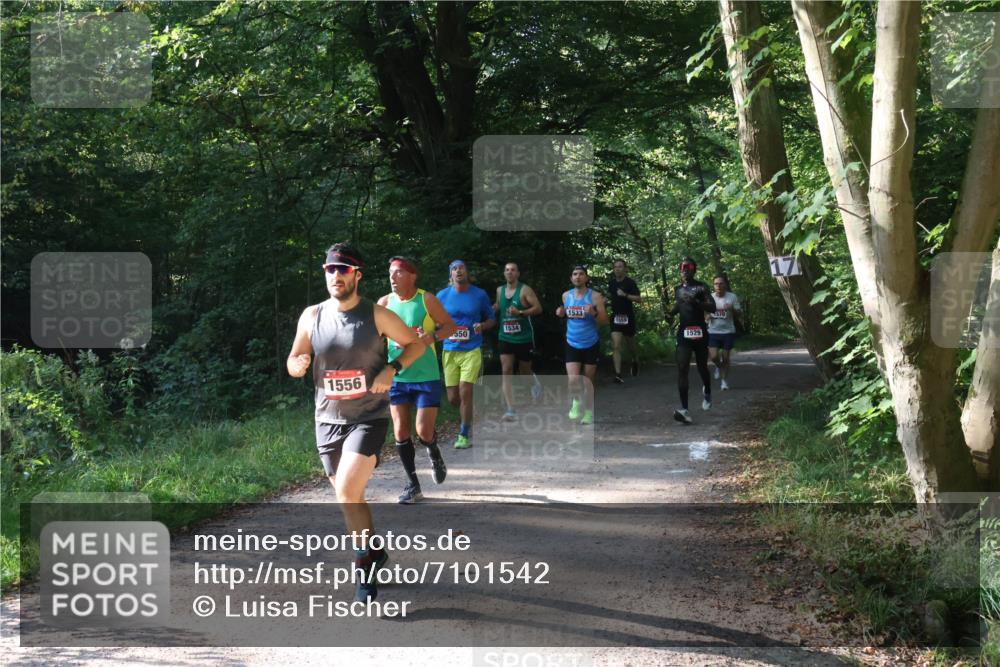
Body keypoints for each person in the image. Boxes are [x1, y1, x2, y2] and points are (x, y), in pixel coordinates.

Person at [287, 242, 426, 601]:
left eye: (344, 270)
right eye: (331, 269)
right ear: (325, 273)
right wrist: (297, 365)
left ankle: (364, 565)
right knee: (350, 497)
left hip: (368, 416)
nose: (336, 275)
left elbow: (416, 345)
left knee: (347, 491)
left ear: (357, 275)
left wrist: (392, 369)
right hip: (328, 418)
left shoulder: (376, 315)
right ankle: (375, 550)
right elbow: (295, 356)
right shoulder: (312, 315)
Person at [378, 256, 457, 504]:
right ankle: (413, 484)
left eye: (398, 272)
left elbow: (450, 327)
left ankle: (433, 451)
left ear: (412, 276)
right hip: (398, 376)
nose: (392, 277)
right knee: (400, 431)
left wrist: (429, 338)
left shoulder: (427, 299)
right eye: (390, 273)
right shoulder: (384, 303)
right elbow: (375, 337)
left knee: (423, 431)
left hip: (426, 376)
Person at [437, 260, 496, 449]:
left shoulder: (479, 295)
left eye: (461, 267)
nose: (458, 271)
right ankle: (467, 413)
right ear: (451, 275)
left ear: (466, 272)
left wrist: (482, 325)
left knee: (465, 390)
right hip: (450, 350)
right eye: (454, 268)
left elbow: (491, 319)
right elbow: (434, 320)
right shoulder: (442, 296)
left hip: (471, 349)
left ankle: (464, 433)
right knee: (454, 398)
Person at [555, 265, 609, 426]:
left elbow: (605, 321)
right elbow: (567, 315)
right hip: (572, 342)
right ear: (571, 278)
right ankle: (576, 403)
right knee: (573, 380)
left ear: (586, 278)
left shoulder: (595, 297)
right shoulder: (566, 296)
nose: (577, 277)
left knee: (588, 380)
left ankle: (589, 412)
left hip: (590, 343)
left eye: (581, 274)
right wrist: (561, 313)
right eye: (574, 274)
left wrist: (594, 313)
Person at [667, 257, 715, 425]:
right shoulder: (678, 289)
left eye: (688, 267)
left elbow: (712, 307)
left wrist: (697, 301)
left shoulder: (701, 287)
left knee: (702, 367)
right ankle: (685, 410)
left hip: (700, 332)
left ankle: (707, 390)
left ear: (694, 269)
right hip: (684, 333)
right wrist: (671, 314)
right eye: (682, 267)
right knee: (682, 368)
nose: (685, 269)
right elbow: (680, 305)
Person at [494, 262, 543, 421]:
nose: (510, 272)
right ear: (504, 273)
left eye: (513, 270)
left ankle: (534, 383)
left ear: (518, 274)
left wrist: (520, 312)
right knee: (506, 370)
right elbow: (498, 306)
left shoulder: (525, 290)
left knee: (524, 371)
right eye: (507, 270)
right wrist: (488, 309)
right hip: (505, 336)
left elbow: (538, 308)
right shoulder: (500, 290)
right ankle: (510, 409)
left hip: (523, 337)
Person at [608, 258, 642, 384]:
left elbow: (639, 299)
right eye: (615, 267)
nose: (617, 269)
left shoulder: (630, 283)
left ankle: (635, 360)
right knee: (616, 345)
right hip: (616, 317)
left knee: (631, 345)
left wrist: (626, 295)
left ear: (625, 269)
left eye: (620, 266)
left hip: (628, 318)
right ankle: (618, 374)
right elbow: (610, 296)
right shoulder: (611, 283)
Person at [707, 275, 742, 391]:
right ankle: (718, 366)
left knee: (726, 358)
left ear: (725, 285)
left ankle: (724, 382)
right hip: (713, 331)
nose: (718, 286)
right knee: (714, 357)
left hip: (728, 332)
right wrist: (707, 317)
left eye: (721, 283)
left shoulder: (732, 297)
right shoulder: (710, 298)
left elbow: (739, 314)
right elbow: (705, 313)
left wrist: (731, 309)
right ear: (714, 285)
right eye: (716, 284)